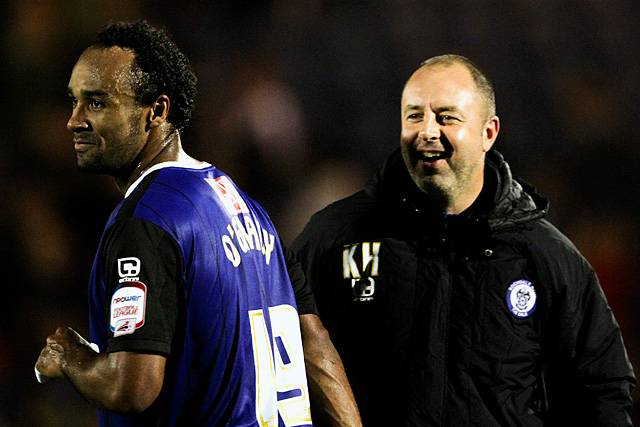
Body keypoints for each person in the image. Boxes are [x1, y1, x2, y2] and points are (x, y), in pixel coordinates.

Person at [34, 20, 360, 426]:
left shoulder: (148, 220)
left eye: (97, 103)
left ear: (156, 111)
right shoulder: (249, 210)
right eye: (74, 101)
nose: (75, 120)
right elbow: (315, 346)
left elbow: (132, 388)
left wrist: (71, 357)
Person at [292, 54, 636, 426]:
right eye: (414, 116)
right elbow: (279, 361)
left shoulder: (546, 257)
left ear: (488, 132)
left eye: (446, 116)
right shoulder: (336, 237)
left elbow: (602, 391)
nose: (427, 130)